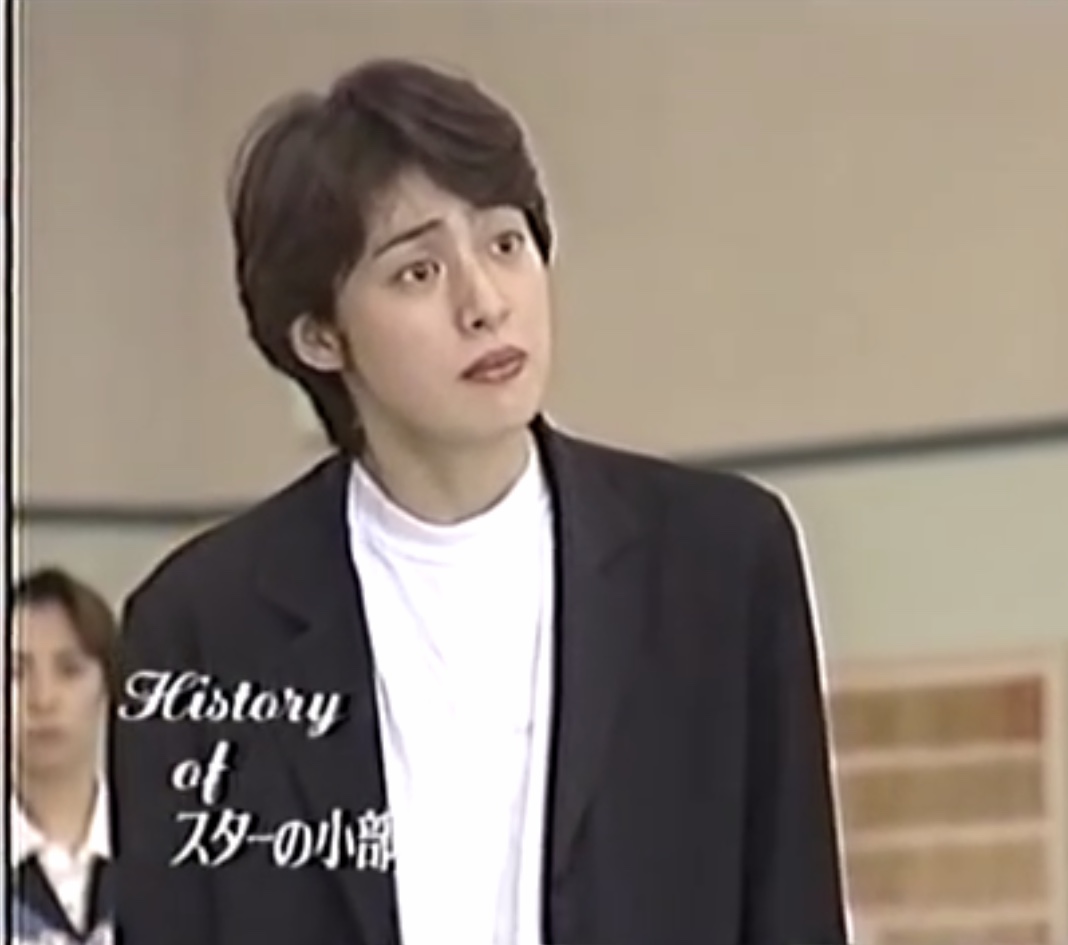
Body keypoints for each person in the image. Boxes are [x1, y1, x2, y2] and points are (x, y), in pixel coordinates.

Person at [109, 57, 849, 945]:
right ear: (320, 335)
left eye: (505, 243)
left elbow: (792, 908)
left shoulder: (719, 562)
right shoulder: (203, 626)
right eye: (418, 271)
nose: (486, 303)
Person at [10, 567, 116, 945]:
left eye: (69, 670)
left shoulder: (166, 858)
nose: (43, 699)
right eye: (15, 673)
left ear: (108, 684)